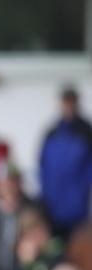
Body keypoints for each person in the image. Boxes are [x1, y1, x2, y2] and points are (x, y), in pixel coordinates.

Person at [39, 87, 92, 235]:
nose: (68, 106)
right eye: (65, 102)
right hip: (52, 209)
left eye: (72, 102)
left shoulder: (86, 132)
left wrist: (82, 198)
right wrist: (45, 199)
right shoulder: (51, 133)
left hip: (78, 211)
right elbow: (43, 168)